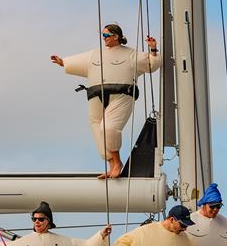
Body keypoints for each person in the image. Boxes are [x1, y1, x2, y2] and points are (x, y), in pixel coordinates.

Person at [51, 23, 161, 179]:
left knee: (108, 128)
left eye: (106, 36)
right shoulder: (94, 54)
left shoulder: (130, 54)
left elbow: (151, 65)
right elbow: (75, 61)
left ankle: (117, 162)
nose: (104, 39)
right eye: (103, 36)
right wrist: (63, 62)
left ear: (116, 37)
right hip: (97, 95)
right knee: (97, 130)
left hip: (121, 95)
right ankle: (112, 164)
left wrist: (153, 49)